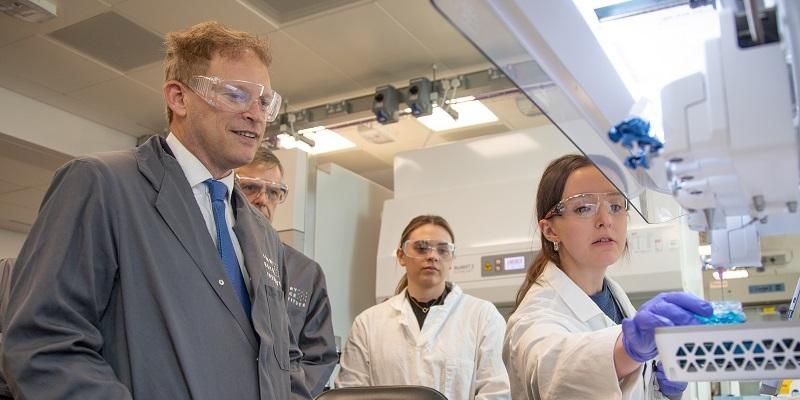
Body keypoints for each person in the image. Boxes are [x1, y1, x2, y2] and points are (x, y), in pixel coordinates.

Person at [1, 21, 305, 399]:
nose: (255, 115)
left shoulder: (260, 232)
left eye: (263, 102)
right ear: (178, 97)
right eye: (235, 94)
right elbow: (44, 344)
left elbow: (281, 355)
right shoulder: (102, 184)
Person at [503, 154, 713, 400]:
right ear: (550, 230)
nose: (605, 220)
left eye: (615, 206)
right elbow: (557, 370)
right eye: (584, 208)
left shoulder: (616, 299)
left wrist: (663, 391)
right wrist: (626, 350)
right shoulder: (534, 318)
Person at [336, 215, 511, 399]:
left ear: (451, 260)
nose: (433, 256)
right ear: (401, 256)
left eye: (443, 250)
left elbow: (496, 392)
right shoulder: (368, 323)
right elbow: (351, 393)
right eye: (421, 248)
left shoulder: (483, 316)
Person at [237, 147, 338, 396]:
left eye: (273, 192)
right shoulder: (215, 253)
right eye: (250, 187)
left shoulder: (306, 272)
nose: (263, 199)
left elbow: (319, 356)